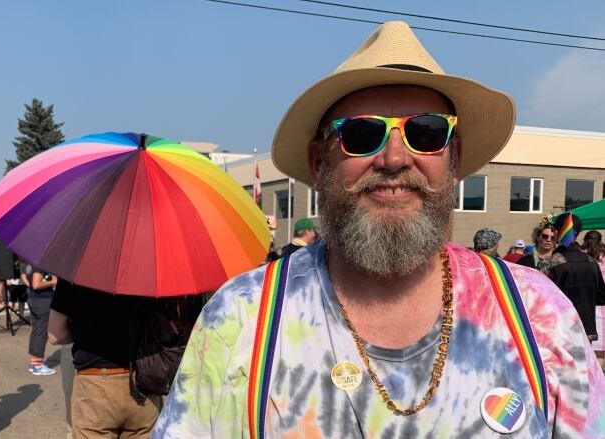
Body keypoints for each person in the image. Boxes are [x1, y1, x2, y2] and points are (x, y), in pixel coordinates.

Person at [152, 21, 604, 438]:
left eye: (425, 133)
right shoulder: (241, 319)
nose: (393, 159)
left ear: (455, 159)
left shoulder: (537, 314)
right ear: (318, 163)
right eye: (361, 134)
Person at [48, 281, 161, 439]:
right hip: (144, 381)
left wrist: (84, 337)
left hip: (95, 386)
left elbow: (55, 334)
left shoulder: (74, 273)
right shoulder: (151, 274)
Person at [547, 213, 605, 343]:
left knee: (565, 364)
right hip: (586, 329)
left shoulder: (551, 263)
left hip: (560, 330)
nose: (552, 233)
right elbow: (602, 297)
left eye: (553, 230)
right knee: (584, 363)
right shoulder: (591, 262)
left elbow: (541, 299)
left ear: (559, 232)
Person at [27, 264, 57, 375]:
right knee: (41, 332)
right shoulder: (40, 265)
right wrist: (53, 282)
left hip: (35, 300)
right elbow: (36, 284)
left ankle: (34, 362)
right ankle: (37, 365)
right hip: (42, 301)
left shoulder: (33, 264)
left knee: (36, 330)